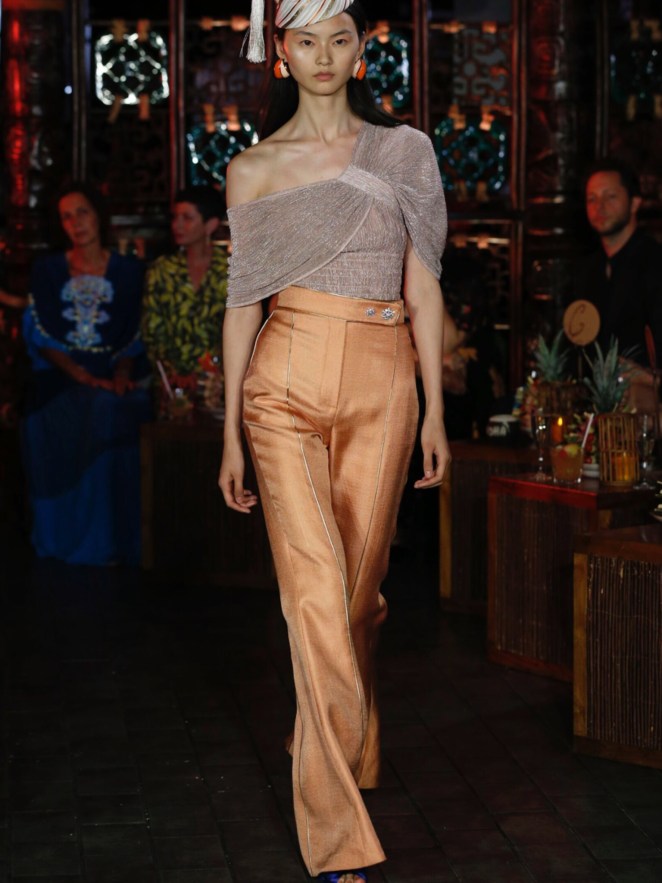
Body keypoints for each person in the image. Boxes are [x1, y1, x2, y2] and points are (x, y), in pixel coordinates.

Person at [218, 2, 449, 881]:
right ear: (279, 51)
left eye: (340, 38)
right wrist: (230, 431)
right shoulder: (252, 169)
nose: (324, 55)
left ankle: (340, 733)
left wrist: (435, 410)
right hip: (282, 381)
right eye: (306, 39)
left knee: (356, 599)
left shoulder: (404, 151)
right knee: (312, 597)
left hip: (385, 377)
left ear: (361, 47)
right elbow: (242, 303)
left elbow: (424, 288)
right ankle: (338, 839)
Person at [22, 183, 151, 565]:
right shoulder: (48, 270)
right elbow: (42, 337)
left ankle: (118, 540)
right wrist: (85, 377)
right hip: (60, 375)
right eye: (66, 217)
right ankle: (66, 539)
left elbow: (133, 333)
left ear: (99, 215)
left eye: (82, 212)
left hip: (114, 373)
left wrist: (122, 372)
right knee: (82, 411)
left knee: (123, 407)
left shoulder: (129, 271)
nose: (75, 223)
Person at [141, 186, 227, 405]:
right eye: (175, 217)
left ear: (210, 224)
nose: (177, 225)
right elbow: (152, 332)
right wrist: (174, 373)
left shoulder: (230, 271)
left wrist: (212, 371)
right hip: (171, 385)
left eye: (187, 218)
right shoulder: (162, 270)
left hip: (218, 384)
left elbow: (239, 330)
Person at [575, 158, 662, 371]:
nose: (599, 207)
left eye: (610, 196)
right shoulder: (588, 268)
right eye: (592, 199)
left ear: (635, 203)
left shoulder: (654, 262)